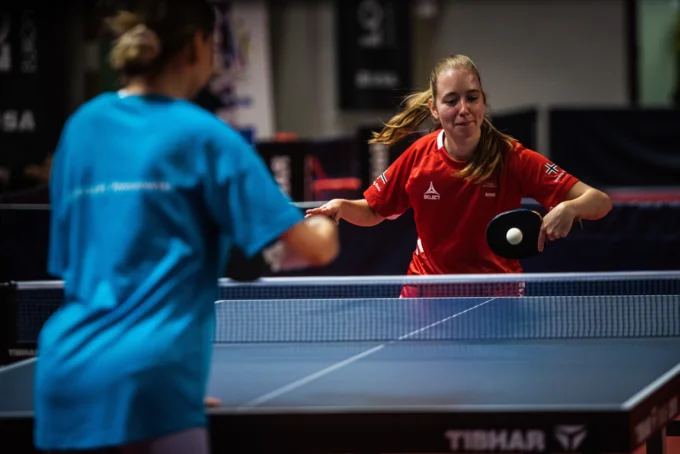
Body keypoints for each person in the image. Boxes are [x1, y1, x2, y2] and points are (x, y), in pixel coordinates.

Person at [34, 1, 339, 453]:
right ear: (197, 45)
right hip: (154, 378)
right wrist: (327, 226)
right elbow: (312, 249)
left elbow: (72, 260)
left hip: (66, 377)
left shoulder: (80, 128)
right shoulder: (205, 135)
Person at [305, 54, 611, 296]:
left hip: (496, 294)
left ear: (483, 102)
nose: (463, 109)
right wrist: (342, 206)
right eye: (451, 100)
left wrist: (570, 208)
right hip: (426, 292)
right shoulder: (419, 156)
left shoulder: (512, 158)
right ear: (434, 109)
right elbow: (374, 210)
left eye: (472, 98)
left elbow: (599, 201)